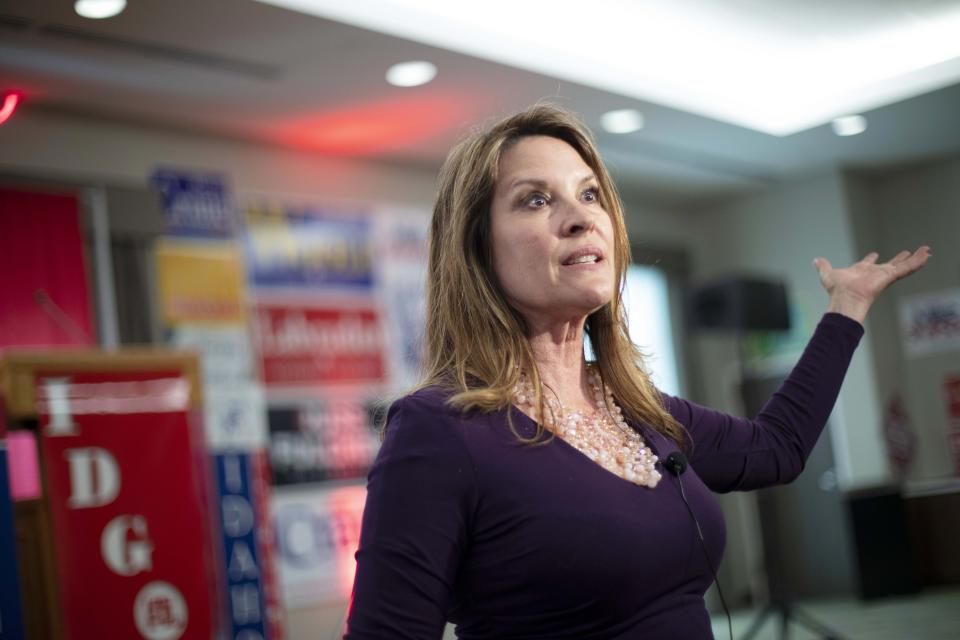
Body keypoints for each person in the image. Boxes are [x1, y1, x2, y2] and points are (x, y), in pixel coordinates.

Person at [343, 104, 930, 639]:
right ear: (477, 249)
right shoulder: (440, 429)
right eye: (536, 199)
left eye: (591, 194)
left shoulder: (638, 409)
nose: (580, 218)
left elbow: (777, 448)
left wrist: (846, 308)